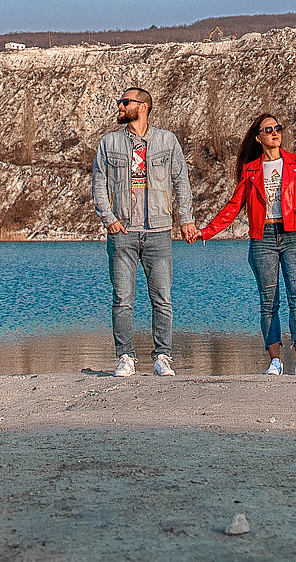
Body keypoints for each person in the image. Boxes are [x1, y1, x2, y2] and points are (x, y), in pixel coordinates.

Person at [197, 113, 296, 376]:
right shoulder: (251, 169)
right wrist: (207, 232)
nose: (275, 133)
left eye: (278, 128)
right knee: (269, 303)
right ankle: (275, 361)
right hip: (262, 238)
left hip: (293, 235)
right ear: (258, 137)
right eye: (268, 130)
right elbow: (233, 206)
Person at [91, 87, 197, 377]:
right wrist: (109, 219)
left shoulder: (167, 141)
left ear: (143, 106)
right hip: (123, 232)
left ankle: (163, 356)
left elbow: (181, 182)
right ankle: (125, 357)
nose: (120, 106)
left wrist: (186, 220)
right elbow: (99, 184)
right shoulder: (109, 143)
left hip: (159, 230)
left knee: (162, 299)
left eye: (125, 102)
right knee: (122, 299)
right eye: (120, 102)